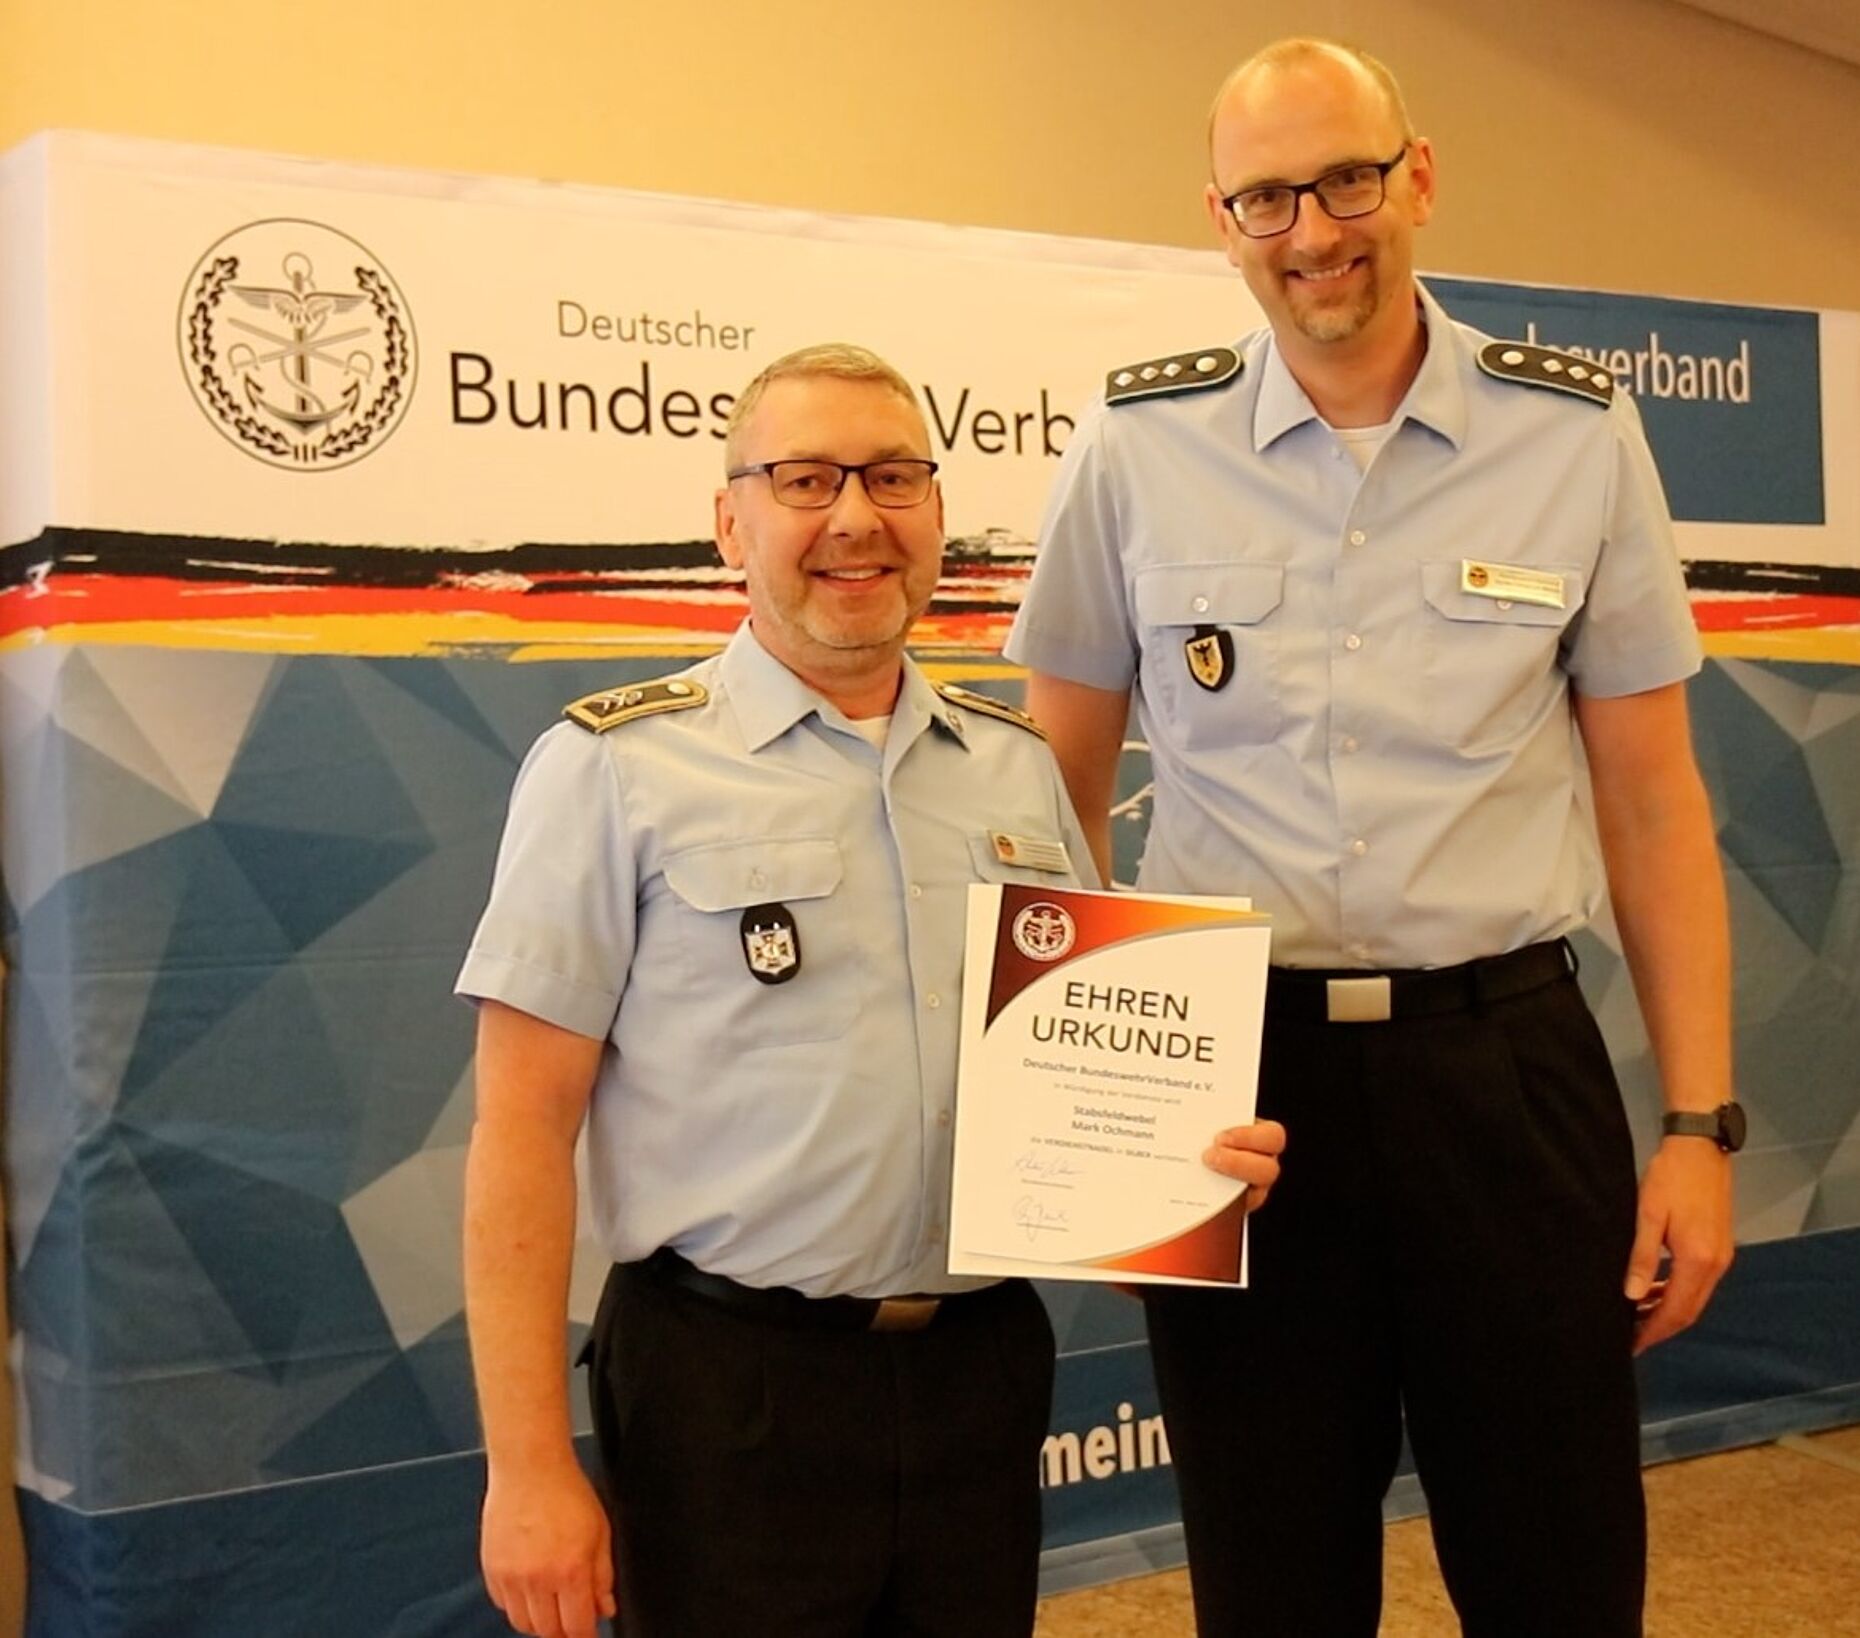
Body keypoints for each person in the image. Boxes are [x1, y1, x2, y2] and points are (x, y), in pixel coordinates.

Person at [1005, 38, 1739, 1638]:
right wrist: (1087, 1127)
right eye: (1266, 195)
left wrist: (1701, 1121)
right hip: (1237, 1092)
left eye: (1344, 177)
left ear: (1418, 175)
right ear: (1222, 218)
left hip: (1509, 1071)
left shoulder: (1575, 436)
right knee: (1271, 1587)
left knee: (1558, 1577)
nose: (1313, 228)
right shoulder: (1138, 447)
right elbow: (1041, 798)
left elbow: (1652, 797)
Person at [457, 343, 1280, 1638]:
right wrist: (526, 1464)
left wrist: (1170, 1182)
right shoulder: (610, 770)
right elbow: (519, 1130)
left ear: (938, 515)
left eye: (894, 477)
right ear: (731, 523)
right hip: (730, 1391)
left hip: (978, 1372)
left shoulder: (1016, 776)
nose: (855, 516)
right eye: (804, 478)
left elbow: (1075, 1095)